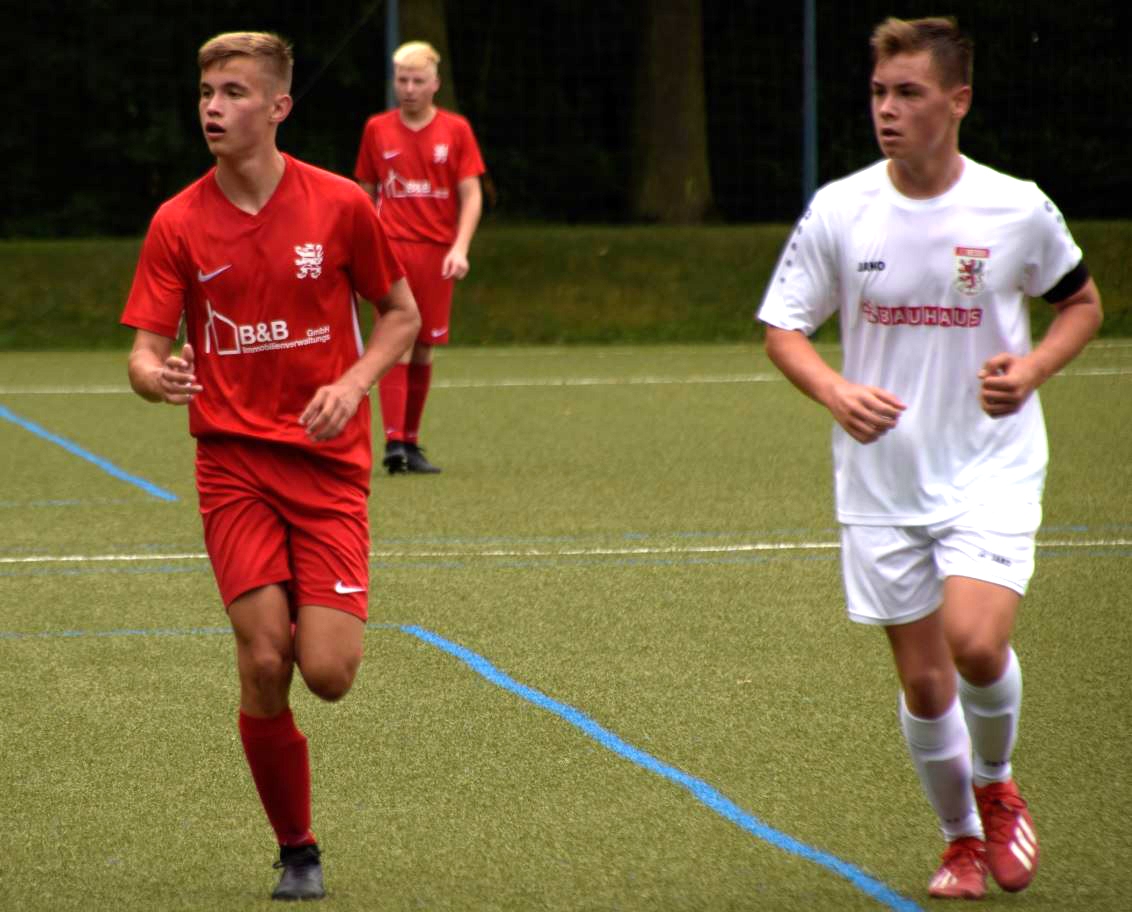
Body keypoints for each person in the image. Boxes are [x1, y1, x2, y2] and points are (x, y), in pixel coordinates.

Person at [757, 16, 1102, 901]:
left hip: (991, 465)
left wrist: (1031, 369)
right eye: (879, 92)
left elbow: (1082, 304)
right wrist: (835, 391)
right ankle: (960, 842)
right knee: (923, 680)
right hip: (882, 479)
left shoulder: (1015, 206)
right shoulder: (842, 209)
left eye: (908, 93)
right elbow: (784, 328)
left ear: (959, 101)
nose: (887, 109)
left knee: (976, 644)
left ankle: (997, 784)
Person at [120, 32, 419, 901]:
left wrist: (353, 383)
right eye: (206, 92)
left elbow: (399, 314)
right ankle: (297, 847)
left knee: (326, 673)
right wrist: (156, 377)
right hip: (233, 466)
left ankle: (309, 607)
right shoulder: (177, 221)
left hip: (327, 467)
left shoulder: (339, 206)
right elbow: (143, 353)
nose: (213, 107)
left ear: (279, 107)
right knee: (262, 661)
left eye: (234, 92)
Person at [354, 40, 485, 474]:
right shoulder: (377, 129)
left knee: (425, 346)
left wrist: (460, 247)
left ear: (435, 84)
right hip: (392, 250)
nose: (408, 89)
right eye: (402, 80)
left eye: (417, 81)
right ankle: (393, 443)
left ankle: (409, 443)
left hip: (436, 254)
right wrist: (363, 250)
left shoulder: (456, 130)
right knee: (400, 341)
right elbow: (364, 194)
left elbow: (471, 194)